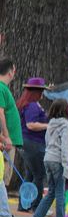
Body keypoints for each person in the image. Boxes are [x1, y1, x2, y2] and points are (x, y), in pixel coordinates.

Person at [27, 99, 68, 217]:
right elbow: (65, 148)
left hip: (48, 158)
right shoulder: (66, 125)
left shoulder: (50, 124)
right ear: (65, 109)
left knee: (52, 191)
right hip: (58, 160)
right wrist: (67, 168)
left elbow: (48, 142)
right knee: (60, 192)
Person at [17, 78, 49, 212]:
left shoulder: (28, 104)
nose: (43, 94)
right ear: (37, 92)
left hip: (27, 143)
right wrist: (49, 125)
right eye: (42, 91)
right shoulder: (32, 106)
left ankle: (24, 205)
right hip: (34, 144)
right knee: (39, 174)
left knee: (29, 174)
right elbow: (31, 124)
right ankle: (36, 206)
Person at [0, 59, 21, 189]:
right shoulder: (1, 89)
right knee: (4, 176)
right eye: (14, 70)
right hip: (7, 140)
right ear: (10, 72)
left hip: (10, 139)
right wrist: (6, 137)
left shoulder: (4, 89)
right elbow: (0, 113)